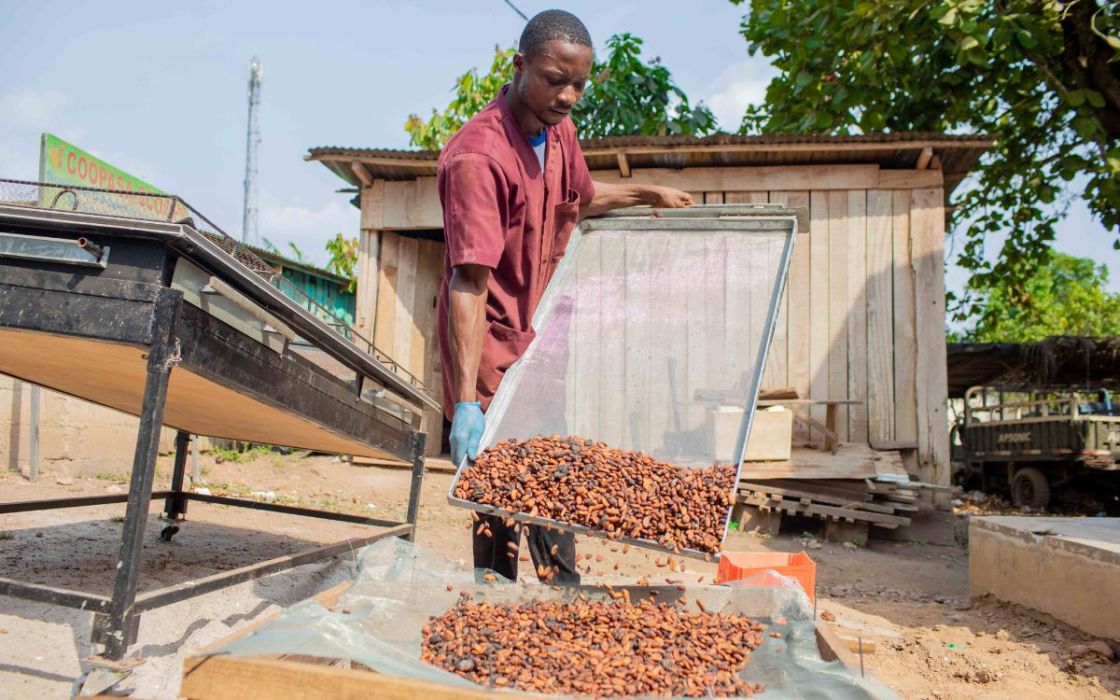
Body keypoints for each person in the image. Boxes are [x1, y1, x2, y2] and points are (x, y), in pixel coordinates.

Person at [436, 9, 692, 584]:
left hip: (543, 344)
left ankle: (561, 600)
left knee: (552, 479)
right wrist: (468, 400)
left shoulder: (558, 130)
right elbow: (468, 282)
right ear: (519, 65)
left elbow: (579, 197)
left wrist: (646, 191)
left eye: (579, 83)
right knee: (498, 502)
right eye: (555, 79)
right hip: (490, 349)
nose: (569, 95)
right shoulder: (480, 157)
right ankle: (494, 604)